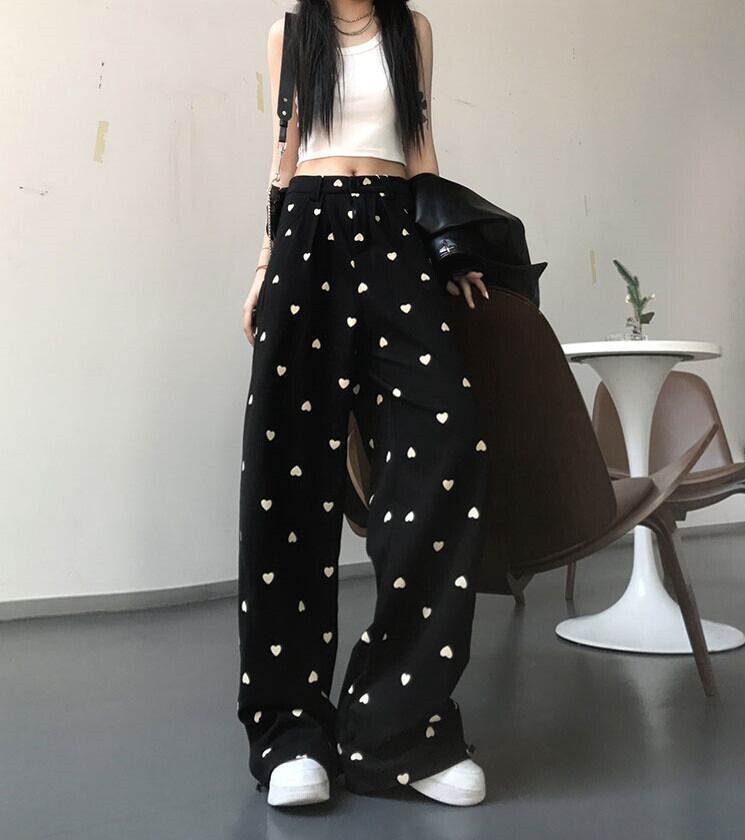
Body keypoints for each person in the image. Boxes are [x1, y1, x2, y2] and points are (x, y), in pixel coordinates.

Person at [237, 0, 490, 808]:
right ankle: (291, 732)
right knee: (287, 474)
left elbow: (419, 148)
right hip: (307, 232)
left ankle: (400, 728)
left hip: (393, 233)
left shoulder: (411, 30)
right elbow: (283, 155)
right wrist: (263, 264)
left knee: (446, 444)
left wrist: (449, 247)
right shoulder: (290, 34)